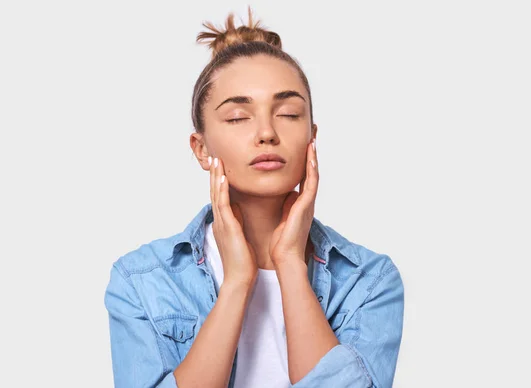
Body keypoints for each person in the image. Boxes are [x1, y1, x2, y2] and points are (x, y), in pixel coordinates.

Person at [104, 7, 404, 388]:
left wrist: (291, 263)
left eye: (289, 113)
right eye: (237, 117)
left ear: (312, 137)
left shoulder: (369, 281)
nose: (266, 132)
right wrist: (237, 283)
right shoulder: (140, 281)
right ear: (200, 148)